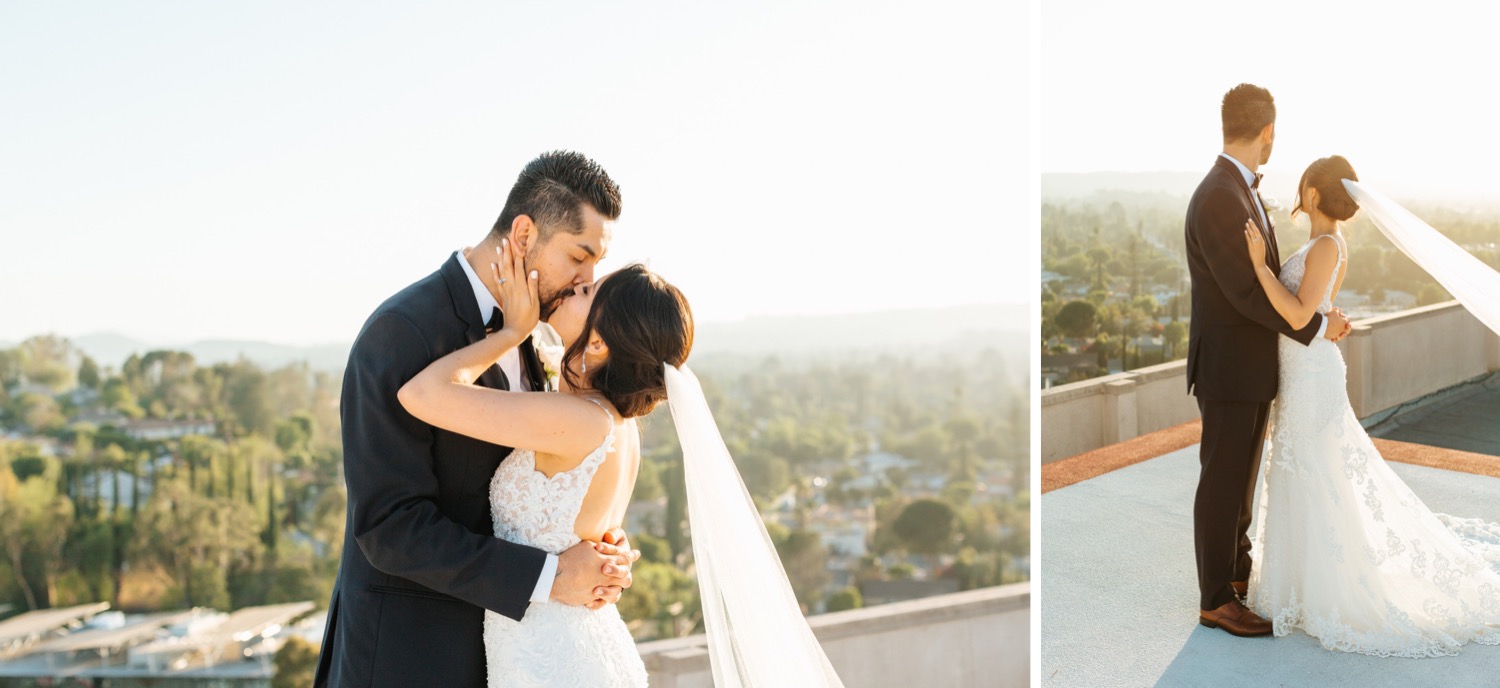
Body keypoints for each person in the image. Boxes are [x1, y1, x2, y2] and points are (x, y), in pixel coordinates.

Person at [314, 151, 639, 687]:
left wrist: (596, 548)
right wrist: (551, 576)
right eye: (579, 258)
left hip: (506, 656)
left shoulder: (535, 329)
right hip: (409, 657)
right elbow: (388, 528)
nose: (587, 280)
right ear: (524, 232)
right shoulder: (403, 333)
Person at [1243, 155, 1500, 657]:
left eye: (1302, 188)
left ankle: (1331, 587)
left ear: (1313, 195)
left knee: (1317, 472)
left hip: (1311, 375)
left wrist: (1256, 267)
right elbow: (1315, 312)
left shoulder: (1324, 245)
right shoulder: (1324, 244)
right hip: (1303, 370)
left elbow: (1297, 312)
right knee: (1306, 472)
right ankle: (1301, 583)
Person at [1183, 83, 1353, 638]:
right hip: (1230, 369)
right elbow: (1246, 293)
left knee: (1240, 484)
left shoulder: (1238, 190)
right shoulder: (1218, 195)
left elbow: (1271, 284)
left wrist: (1316, 315)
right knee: (1223, 483)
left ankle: (1234, 578)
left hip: (1253, 369)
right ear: (1268, 132)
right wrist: (1316, 324)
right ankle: (1215, 599)